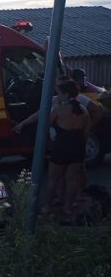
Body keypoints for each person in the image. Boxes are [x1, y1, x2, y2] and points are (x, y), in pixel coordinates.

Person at [45, 80, 90, 220]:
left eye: (59, 93)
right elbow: (86, 133)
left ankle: (47, 207)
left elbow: (47, 124)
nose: (57, 96)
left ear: (66, 94)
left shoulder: (59, 110)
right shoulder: (84, 111)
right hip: (77, 148)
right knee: (72, 179)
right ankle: (68, 208)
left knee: (53, 178)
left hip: (61, 147)